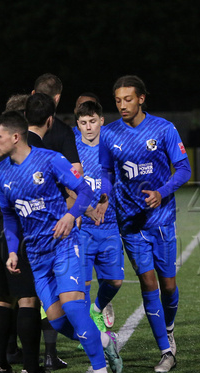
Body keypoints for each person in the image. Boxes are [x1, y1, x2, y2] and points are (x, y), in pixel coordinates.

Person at [0, 110, 122, 373]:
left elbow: (85, 191)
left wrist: (70, 215)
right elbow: (10, 218)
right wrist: (13, 252)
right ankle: (103, 341)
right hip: (37, 257)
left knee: (74, 308)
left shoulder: (50, 159)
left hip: (65, 246)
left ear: (15, 137)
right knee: (57, 321)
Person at [98, 75, 191, 373]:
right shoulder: (109, 133)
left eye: (128, 99)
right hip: (130, 222)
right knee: (147, 283)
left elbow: (185, 169)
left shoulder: (163, 129)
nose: (122, 105)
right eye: (117, 100)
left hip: (161, 220)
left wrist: (161, 193)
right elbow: (106, 172)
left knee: (168, 284)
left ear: (141, 98)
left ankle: (170, 328)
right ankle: (166, 351)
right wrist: (103, 196)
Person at [0, 93, 68, 372]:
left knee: (2, 298)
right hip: (18, 228)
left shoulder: (1, 156)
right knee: (28, 298)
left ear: (16, 133)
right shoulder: (27, 151)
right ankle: (32, 367)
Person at [75, 100, 124, 336]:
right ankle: (89, 334)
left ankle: (97, 309)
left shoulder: (112, 147)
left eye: (93, 121)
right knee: (81, 287)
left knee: (115, 281)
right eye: (83, 123)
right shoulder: (73, 150)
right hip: (82, 228)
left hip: (110, 225)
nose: (89, 127)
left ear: (101, 121)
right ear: (78, 125)